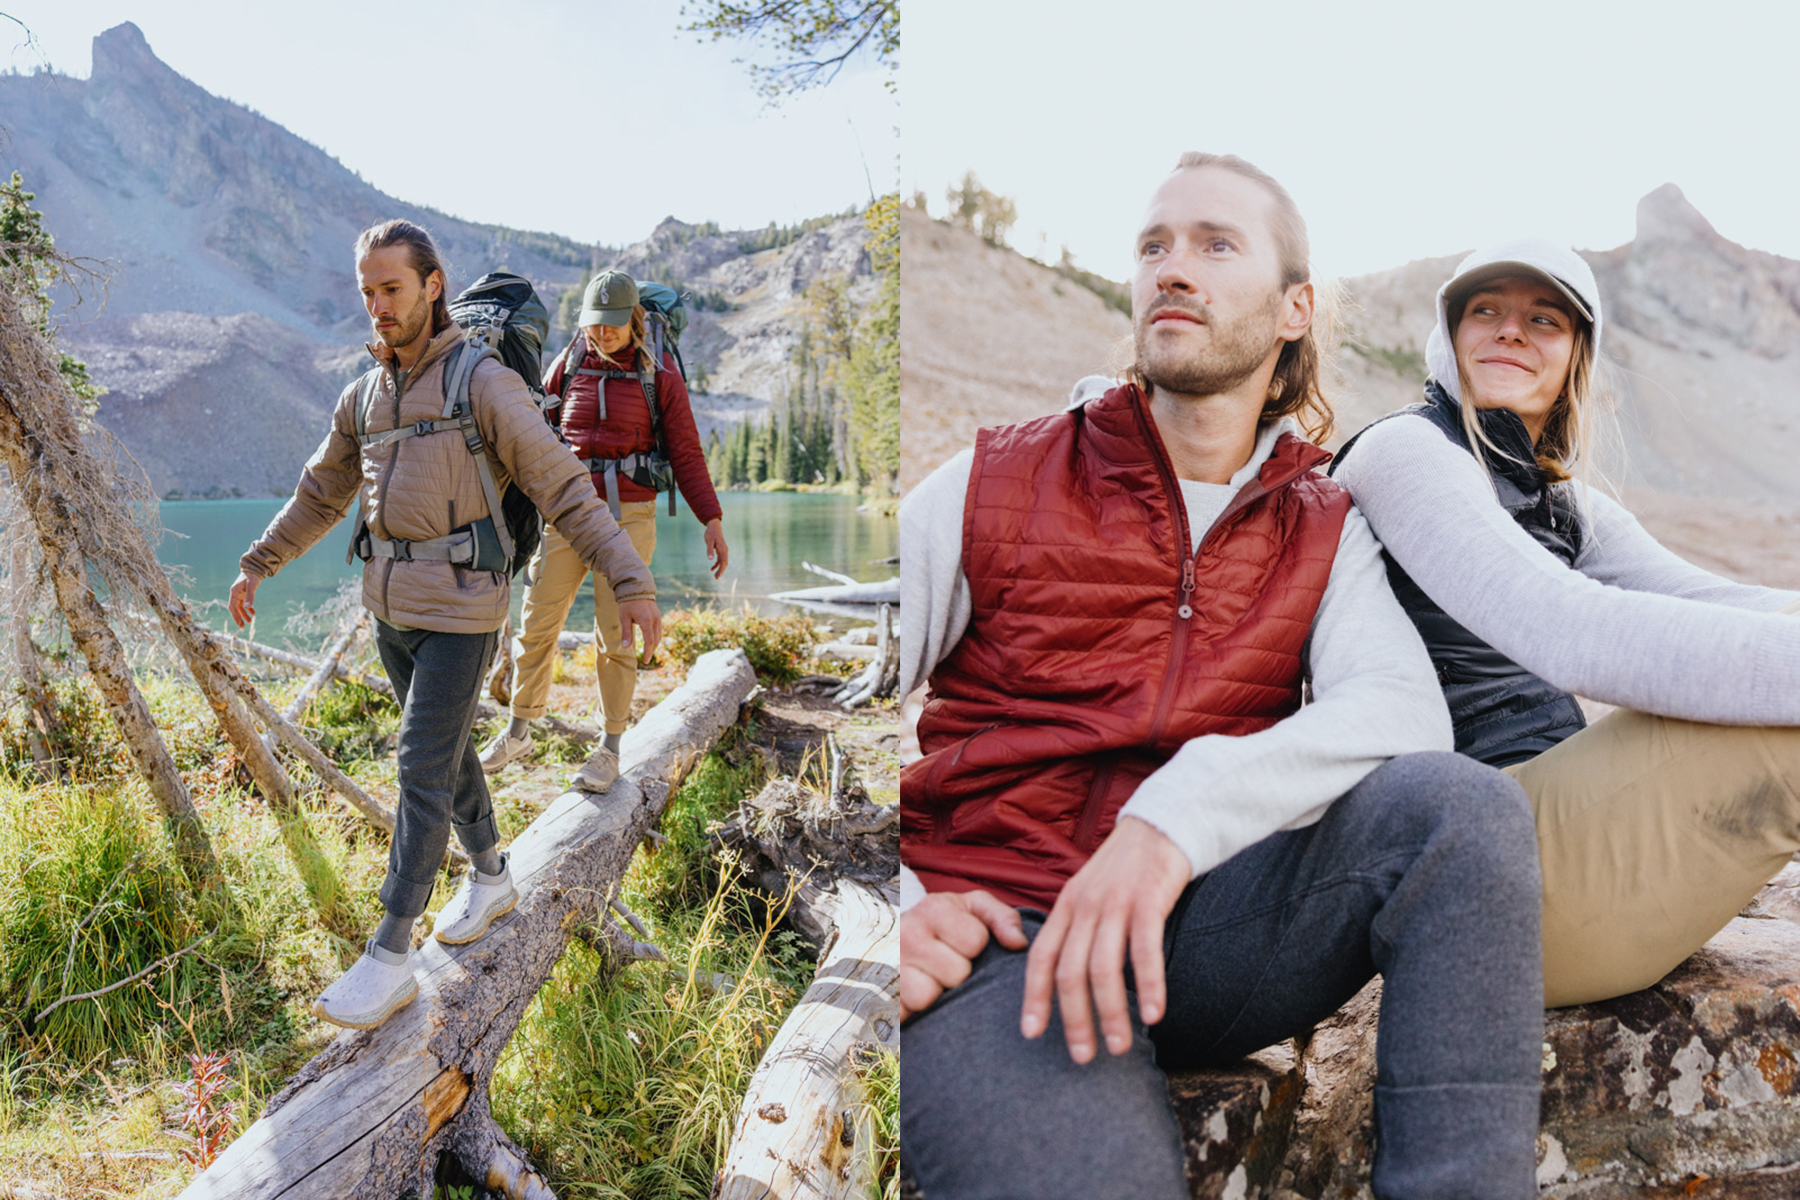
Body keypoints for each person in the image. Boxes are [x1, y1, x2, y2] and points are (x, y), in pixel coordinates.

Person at [899, 153, 1546, 1200]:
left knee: (1460, 813)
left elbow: (1401, 713)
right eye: (1154, 246)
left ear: (1294, 308)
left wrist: (1170, 822)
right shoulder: (992, 479)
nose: (1172, 269)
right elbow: (832, 704)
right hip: (1004, 934)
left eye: (1214, 244)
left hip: (1203, 926)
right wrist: (890, 903)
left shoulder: (1321, 525)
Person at [1328, 238, 1800, 1007]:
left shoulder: (1563, 501)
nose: (1512, 330)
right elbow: (1570, 631)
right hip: (1478, 879)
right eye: (1485, 311)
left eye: (1544, 318)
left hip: (1568, 841)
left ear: (1575, 358)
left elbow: (1718, 602)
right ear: (1448, 340)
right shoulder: (1403, 452)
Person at [228, 220, 662, 1031]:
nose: (378, 307)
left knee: (419, 767)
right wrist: (258, 562)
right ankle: (492, 874)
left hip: (465, 610)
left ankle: (390, 954)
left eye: (391, 289)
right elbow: (320, 493)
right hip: (390, 610)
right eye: (367, 293)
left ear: (432, 286)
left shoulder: (483, 382)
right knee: (451, 748)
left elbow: (564, 485)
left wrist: (629, 579)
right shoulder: (363, 395)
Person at [477, 270, 727, 792]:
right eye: (595, 324)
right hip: (566, 513)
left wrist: (712, 520)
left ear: (634, 319)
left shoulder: (661, 378)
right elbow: (529, 430)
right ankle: (519, 728)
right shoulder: (566, 367)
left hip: (630, 516)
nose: (603, 333)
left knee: (617, 634)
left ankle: (610, 746)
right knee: (536, 621)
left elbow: (686, 453)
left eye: (613, 324)